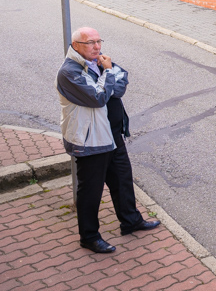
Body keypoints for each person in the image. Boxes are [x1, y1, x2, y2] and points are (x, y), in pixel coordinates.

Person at [57, 27, 160, 254]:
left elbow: (121, 83)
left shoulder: (99, 63)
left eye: (98, 41)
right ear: (76, 46)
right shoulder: (69, 72)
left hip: (113, 135)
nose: (97, 47)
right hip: (91, 139)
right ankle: (89, 237)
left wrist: (108, 77)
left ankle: (130, 221)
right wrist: (109, 74)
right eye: (90, 43)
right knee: (90, 190)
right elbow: (98, 97)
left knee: (122, 179)